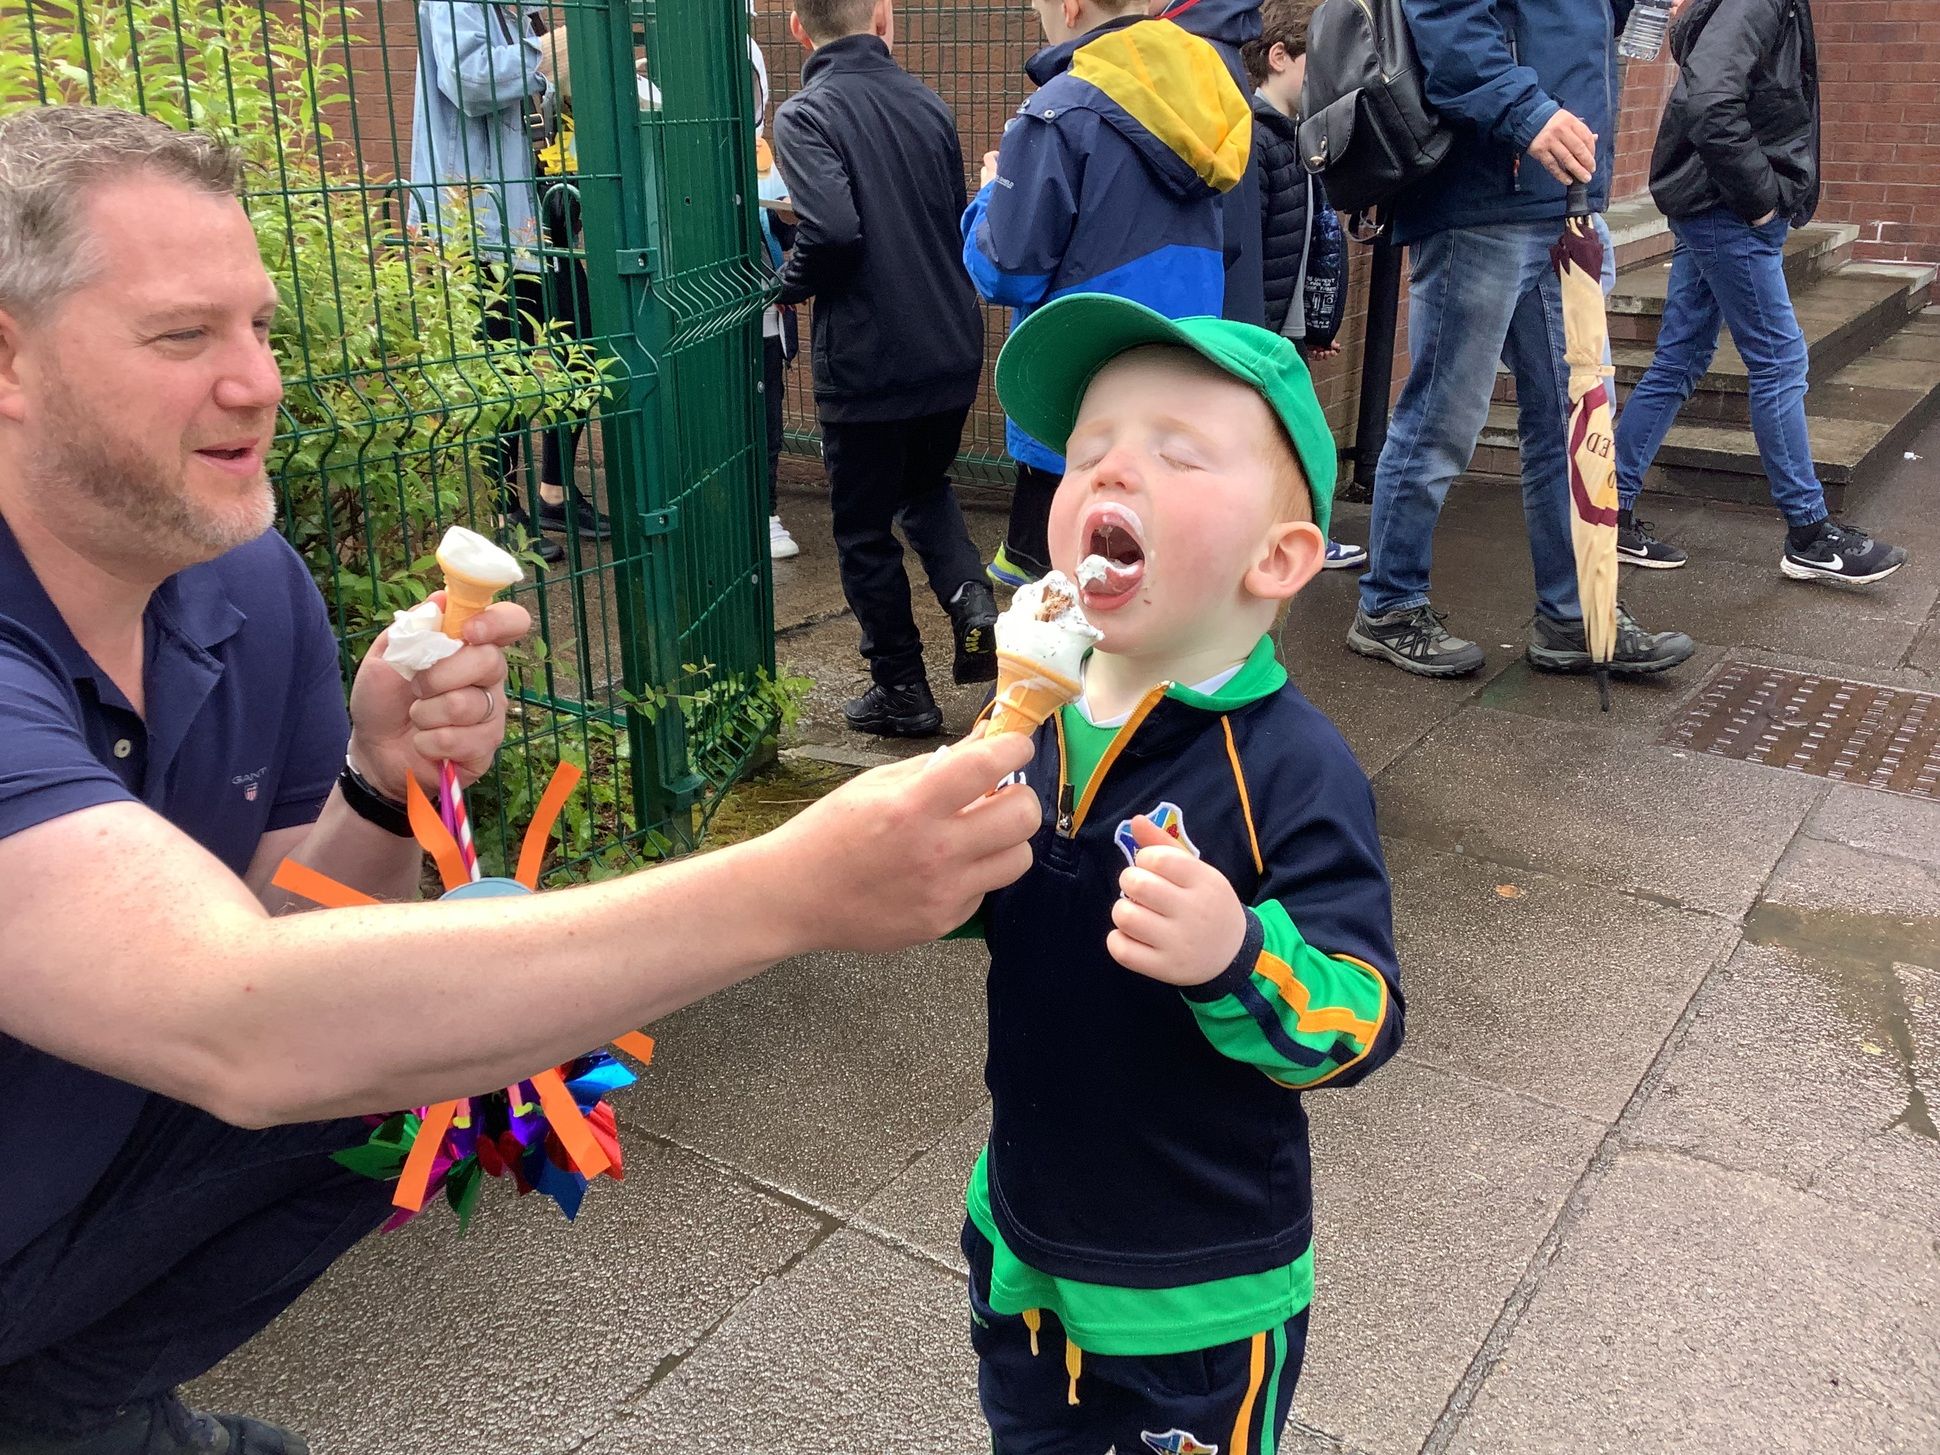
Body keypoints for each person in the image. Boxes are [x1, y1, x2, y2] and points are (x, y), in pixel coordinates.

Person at [0, 104, 1039, 1453]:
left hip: (84, 1192)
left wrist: (379, 777)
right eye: (183, 336)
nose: (258, 379)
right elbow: (240, 1019)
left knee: (464, 1037)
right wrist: (795, 889)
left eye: (255, 325)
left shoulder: (245, 583)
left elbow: (289, 936)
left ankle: (74, 1400)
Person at [959, 292, 1403, 1452]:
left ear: (1278, 557)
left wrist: (1236, 954)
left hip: (1195, 1289)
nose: (1111, 473)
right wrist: (948, 866)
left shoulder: (1292, 767)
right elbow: (1005, 908)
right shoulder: (1038, 713)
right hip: (1020, 1226)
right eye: (1089, 451)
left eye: (1174, 453)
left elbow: (1359, 1018)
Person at [1346, 0, 1695, 681]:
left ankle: (1576, 615)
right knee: (1445, 415)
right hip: (1488, 195)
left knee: (1576, 419)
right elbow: (1448, 25)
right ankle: (1388, 605)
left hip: (1564, 196)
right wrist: (1527, 112)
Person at [1612, 0, 1906, 585]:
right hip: (1728, 211)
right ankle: (1809, 535)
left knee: (1679, 360)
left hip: (1714, 206)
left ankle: (1607, 511)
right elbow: (1709, 101)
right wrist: (1761, 198)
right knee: (1779, 360)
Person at [963, 0, 1250, 590]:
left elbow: (1005, 272)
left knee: (1050, 599)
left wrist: (990, 197)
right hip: (1176, 381)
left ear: (1069, 6)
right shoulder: (1210, 99)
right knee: (1144, 584)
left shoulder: (1057, 113)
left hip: (1077, 400)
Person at [774, 0, 999, 738]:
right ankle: (971, 599)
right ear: (881, 18)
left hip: (869, 359)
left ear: (800, 29)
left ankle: (903, 688)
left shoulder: (805, 116)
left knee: (865, 531)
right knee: (925, 487)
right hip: (948, 344)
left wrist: (788, 280)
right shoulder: (928, 104)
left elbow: (835, 230)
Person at [408, 0, 609, 568]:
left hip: (535, 212)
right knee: (506, 362)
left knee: (583, 343)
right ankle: (504, 511)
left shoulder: (512, 14)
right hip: (481, 220)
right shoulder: (452, 4)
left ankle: (555, 492)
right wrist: (546, 57)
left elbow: (530, 96)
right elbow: (470, 80)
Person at [1243, 0, 1365, 570]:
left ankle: (1296, 538)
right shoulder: (1259, 139)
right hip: (1263, 331)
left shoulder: (1297, 137)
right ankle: (1298, 539)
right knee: (1290, 440)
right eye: (1313, 65)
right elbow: (1258, 247)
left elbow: (1311, 240)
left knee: (1290, 439)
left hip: (1285, 329)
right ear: (1278, 56)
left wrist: (1313, 324)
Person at [1153, 0, 1268, 329]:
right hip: (1227, 303)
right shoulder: (1215, 43)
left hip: (1196, 315)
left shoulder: (1187, 52)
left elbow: (1220, 226)